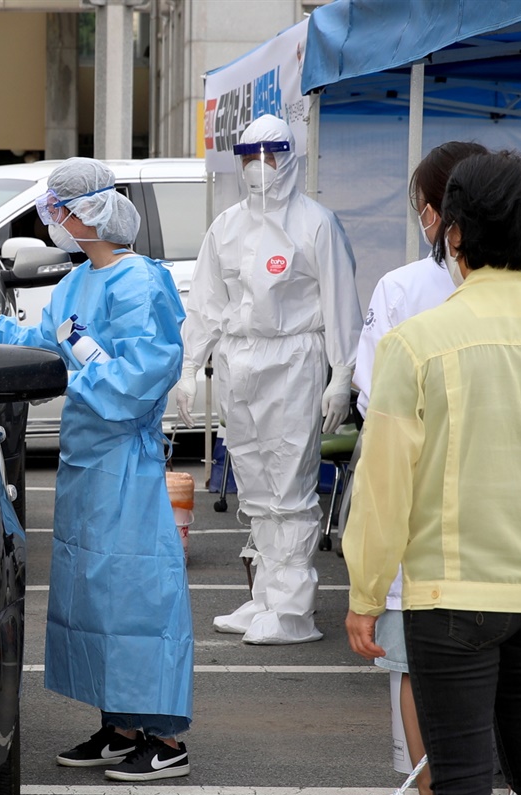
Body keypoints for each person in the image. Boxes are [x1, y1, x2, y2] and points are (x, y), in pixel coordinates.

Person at [343, 150, 521, 795]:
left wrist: (366, 593)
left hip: (451, 595)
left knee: (462, 784)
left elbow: (382, 485)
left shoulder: (415, 343)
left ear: (454, 232)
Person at [0, 157, 194, 782]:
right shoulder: (78, 283)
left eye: (63, 209)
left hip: (125, 461)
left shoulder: (142, 283)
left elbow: (144, 373)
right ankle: (120, 724)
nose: (55, 220)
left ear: (95, 213)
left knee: (138, 597)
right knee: (93, 596)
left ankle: (164, 738)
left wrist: (73, 376)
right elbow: (47, 342)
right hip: (86, 463)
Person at [175, 114, 362, 645]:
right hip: (239, 361)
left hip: (294, 360)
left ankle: (293, 608)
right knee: (255, 482)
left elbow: (339, 302)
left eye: (270, 156)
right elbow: (207, 304)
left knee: (290, 483)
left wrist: (341, 374)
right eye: (250, 158)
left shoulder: (316, 224)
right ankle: (264, 597)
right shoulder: (228, 226)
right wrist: (191, 368)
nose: (260, 168)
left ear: (290, 158)